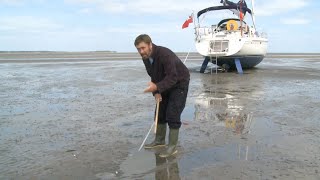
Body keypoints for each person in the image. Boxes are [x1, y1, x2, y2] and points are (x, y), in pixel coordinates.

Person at [134, 34, 190, 158]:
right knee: (159, 113)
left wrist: (157, 87)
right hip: (164, 82)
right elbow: (153, 75)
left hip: (179, 82)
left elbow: (173, 77)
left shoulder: (165, 54)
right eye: (138, 49)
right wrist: (156, 92)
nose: (141, 51)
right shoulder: (145, 57)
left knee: (172, 114)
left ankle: (172, 147)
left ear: (150, 44)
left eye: (143, 48)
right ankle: (159, 141)